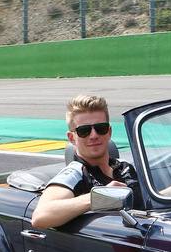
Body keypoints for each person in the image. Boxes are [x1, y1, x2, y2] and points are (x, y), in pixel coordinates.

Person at [30, 94, 140, 229]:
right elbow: (40, 216)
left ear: (109, 132)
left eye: (100, 128)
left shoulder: (125, 167)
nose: (94, 136)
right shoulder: (76, 174)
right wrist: (98, 198)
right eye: (84, 131)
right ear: (72, 138)